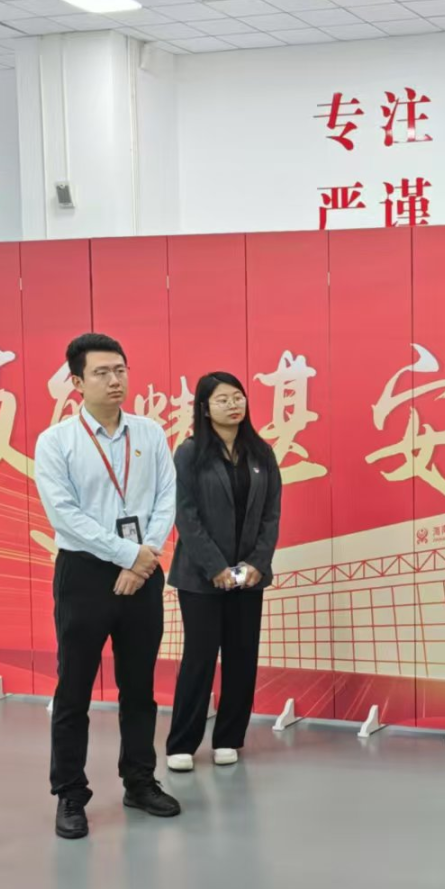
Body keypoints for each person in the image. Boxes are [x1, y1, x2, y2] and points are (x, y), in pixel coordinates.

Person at [33, 333, 181, 839]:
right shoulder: (57, 441)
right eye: (101, 372)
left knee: (139, 687)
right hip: (85, 573)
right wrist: (127, 554)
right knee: (74, 689)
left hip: (143, 570)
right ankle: (70, 793)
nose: (114, 380)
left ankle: (139, 781)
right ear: (77, 382)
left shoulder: (150, 433)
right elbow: (64, 515)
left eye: (120, 370)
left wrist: (145, 557)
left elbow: (166, 498)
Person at [167, 372, 282, 771]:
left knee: (242, 656)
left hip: (249, 577)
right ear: (204, 408)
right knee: (199, 657)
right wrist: (215, 566)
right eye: (223, 399)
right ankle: (182, 743)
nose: (233, 405)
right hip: (201, 577)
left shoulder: (261, 453)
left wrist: (257, 564)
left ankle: (229, 738)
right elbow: (186, 515)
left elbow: (271, 514)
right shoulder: (189, 453)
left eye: (238, 397)